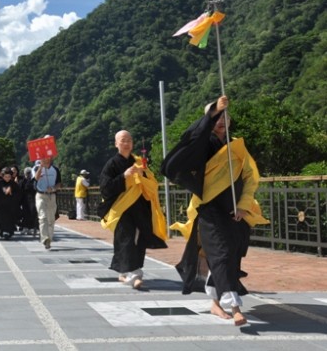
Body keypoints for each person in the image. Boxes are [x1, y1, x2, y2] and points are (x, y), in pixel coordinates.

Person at [161, 95, 268, 326]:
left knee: (230, 255)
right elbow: (188, 143)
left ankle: (216, 304)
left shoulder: (237, 146)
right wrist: (210, 114)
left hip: (235, 211)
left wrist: (243, 205)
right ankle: (235, 307)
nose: (221, 120)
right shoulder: (203, 145)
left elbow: (251, 177)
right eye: (216, 117)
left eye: (224, 116)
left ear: (230, 121)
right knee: (220, 254)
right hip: (209, 209)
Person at [98, 130, 168, 289]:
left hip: (140, 208)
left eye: (129, 140)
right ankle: (135, 274)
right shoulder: (112, 164)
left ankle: (125, 272)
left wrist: (143, 174)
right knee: (127, 239)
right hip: (122, 209)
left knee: (139, 240)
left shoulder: (138, 162)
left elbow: (152, 184)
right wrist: (124, 176)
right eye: (123, 140)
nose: (127, 143)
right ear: (116, 144)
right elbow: (105, 188)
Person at [32, 157, 61, 250]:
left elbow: (59, 184)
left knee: (51, 219)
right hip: (40, 195)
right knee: (42, 217)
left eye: (47, 157)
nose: (45, 159)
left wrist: (53, 189)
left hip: (51, 196)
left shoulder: (55, 170)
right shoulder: (37, 168)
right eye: (43, 158)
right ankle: (44, 238)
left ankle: (49, 238)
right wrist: (41, 167)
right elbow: (35, 179)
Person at [0, 167, 22, 239]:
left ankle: (9, 231)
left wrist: (11, 193)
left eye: (9, 177)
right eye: (6, 177)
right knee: (1, 219)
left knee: (10, 219)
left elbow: (19, 194)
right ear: (3, 176)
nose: (7, 178)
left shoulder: (13, 184)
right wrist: (4, 192)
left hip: (11, 206)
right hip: (1, 206)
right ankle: (2, 231)